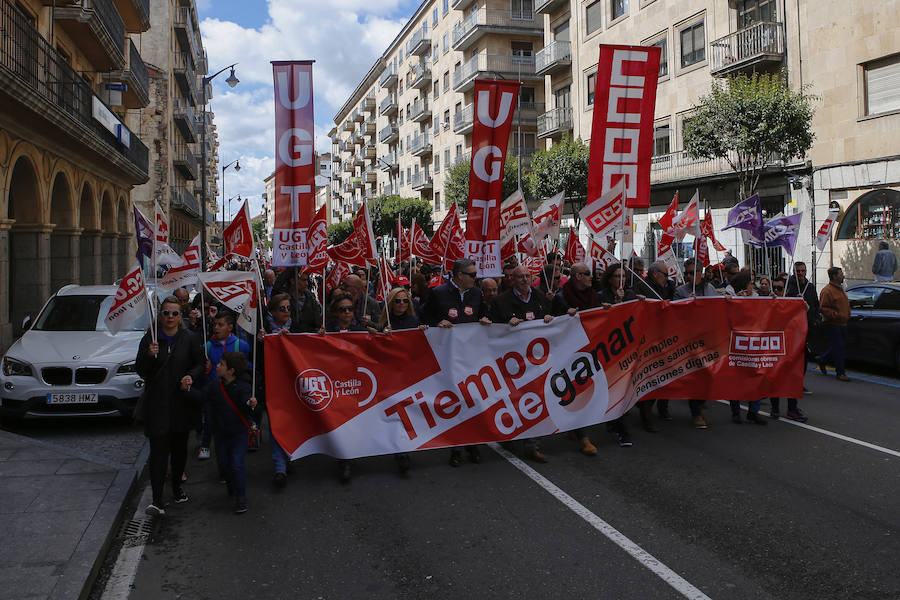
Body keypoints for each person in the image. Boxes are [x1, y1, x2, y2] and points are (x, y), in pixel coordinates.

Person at [135, 296, 205, 516]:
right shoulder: (150, 339)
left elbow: (200, 364)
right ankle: (157, 499)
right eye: (166, 313)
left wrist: (190, 376)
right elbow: (141, 369)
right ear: (160, 315)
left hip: (181, 404)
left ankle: (176, 487)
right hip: (158, 404)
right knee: (158, 451)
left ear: (179, 315)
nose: (171, 318)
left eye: (175, 313)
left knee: (179, 450)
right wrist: (149, 355)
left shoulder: (189, 338)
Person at [423, 258, 491, 467]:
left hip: (471, 358)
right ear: (459, 275)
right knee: (455, 401)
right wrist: (436, 324)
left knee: (473, 399)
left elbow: (484, 315)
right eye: (472, 275)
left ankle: (473, 443)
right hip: (448, 359)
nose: (475, 278)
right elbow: (423, 319)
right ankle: (456, 446)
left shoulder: (476, 293)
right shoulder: (438, 293)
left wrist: (485, 321)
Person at [491, 265, 554, 462]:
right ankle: (509, 434)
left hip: (535, 360)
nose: (525, 279)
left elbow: (552, 319)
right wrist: (505, 323)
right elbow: (491, 328)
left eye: (528, 276)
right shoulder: (501, 301)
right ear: (513, 280)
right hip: (510, 360)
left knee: (533, 399)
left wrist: (550, 319)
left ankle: (532, 445)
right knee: (512, 398)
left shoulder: (541, 297)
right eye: (520, 277)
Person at [186, 352, 256, 514]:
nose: (217, 366)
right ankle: (232, 485)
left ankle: (241, 497)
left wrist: (250, 403)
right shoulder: (215, 386)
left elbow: (246, 402)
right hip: (221, 433)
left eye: (221, 364)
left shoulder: (244, 385)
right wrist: (188, 389)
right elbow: (202, 396)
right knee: (224, 465)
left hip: (238, 433)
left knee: (237, 463)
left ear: (231, 371)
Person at [550, 262, 600, 455]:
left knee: (586, 389)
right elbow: (551, 325)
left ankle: (574, 428)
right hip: (569, 353)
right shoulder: (561, 298)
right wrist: (565, 316)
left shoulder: (594, 295)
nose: (591, 277)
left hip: (590, 349)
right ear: (578, 276)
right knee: (576, 392)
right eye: (587, 274)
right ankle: (583, 437)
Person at [197, 312, 252, 463]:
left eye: (220, 324)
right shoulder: (206, 347)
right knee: (209, 418)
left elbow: (248, 365)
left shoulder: (241, 345)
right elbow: (201, 370)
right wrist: (205, 370)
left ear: (230, 327)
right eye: (215, 324)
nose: (216, 327)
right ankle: (205, 444)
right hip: (214, 390)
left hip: (233, 392)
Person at [595, 264, 642, 442]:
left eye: (623, 275)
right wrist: (615, 304)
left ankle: (618, 421)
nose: (620, 279)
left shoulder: (630, 294)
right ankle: (620, 429)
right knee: (613, 386)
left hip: (627, 347)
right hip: (609, 348)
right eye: (616, 275)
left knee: (624, 387)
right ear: (609, 278)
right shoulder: (601, 296)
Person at [769, 277, 808, 422]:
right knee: (774, 378)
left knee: (792, 377)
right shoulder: (768, 302)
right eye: (774, 288)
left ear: (787, 290)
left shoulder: (793, 302)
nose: (776, 291)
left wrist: (801, 303)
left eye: (779, 288)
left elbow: (805, 311)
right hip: (774, 348)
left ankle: (792, 409)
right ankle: (775, 408)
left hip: (791, 348)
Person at [786, 261, 820, 390]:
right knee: (793, 357)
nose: (800, 273)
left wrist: (816, 319)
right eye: (798, 271)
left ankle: (799, 381)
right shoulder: (789, 286)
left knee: (804, 356)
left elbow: (816, 304)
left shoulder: (810, 286)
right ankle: (790, 380)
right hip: (794, 327)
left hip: (808, 326)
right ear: (794, 272)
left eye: (803, 271)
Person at [817, 266, 851, 381]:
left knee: (839, 346)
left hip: (843, 323)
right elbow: (823, 308)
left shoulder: (840, 289)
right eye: (840, 274)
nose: (843, 276)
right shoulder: (827, 291)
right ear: (834, 276)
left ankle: (823, 359)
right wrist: (837, 315)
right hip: (833, 324)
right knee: (839, 348)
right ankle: (840, 372)